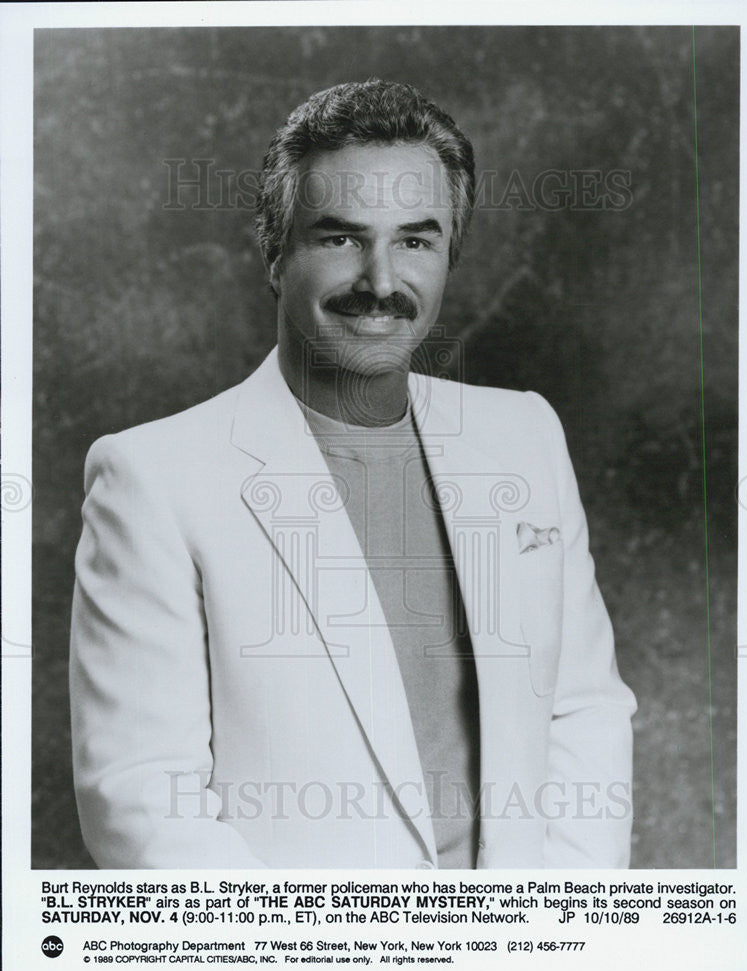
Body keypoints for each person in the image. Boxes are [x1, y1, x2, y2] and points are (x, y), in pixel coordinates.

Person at [69, 79, 636, 870]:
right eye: (338, 238)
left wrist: (555, 944)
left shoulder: (524, 435)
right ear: (274, 252)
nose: (379, 281)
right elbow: (140, 801)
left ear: (449, 254)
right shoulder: (153, 477)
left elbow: (582, 711)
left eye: (415, 240)